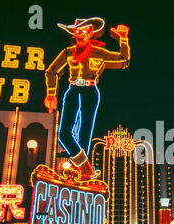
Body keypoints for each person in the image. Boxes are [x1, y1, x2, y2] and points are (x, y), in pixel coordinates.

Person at [44, 17, 130, 180]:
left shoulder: (99, 52)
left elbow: (124, 61)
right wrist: (51, 92)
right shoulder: (68, 52)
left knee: (85, 132)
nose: (80, 34)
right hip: (73, 90)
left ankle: (82, 173)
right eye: (77, 31)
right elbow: (52, 71)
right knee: (64, 134)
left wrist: (123, 39)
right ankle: (85, 167)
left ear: (91, 33)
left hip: (90, 90)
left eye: (84, 31)